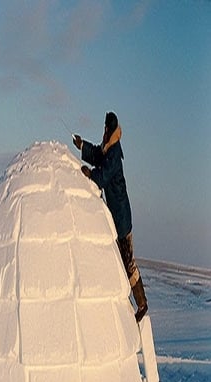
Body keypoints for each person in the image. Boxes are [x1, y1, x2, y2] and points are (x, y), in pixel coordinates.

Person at [72, 112, 148, 322]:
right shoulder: (109, 150)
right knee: (120, 261)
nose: (104, 132)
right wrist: (82, 146)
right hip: (117, 217)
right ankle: (131, 301)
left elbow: (103, 175)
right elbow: (97, 155)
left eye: (106, 129)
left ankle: (142, 304)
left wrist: (91, 175)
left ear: (111, 131)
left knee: (127, 261)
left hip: (121, 218)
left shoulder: (114, 155)